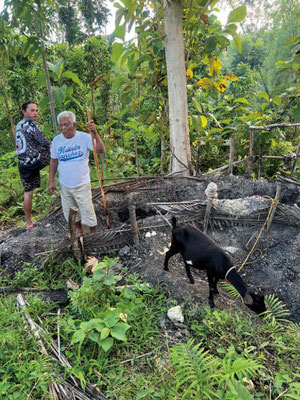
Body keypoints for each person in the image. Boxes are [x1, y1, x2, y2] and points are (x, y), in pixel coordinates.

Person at [48, 111, 105, 236]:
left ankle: (93, 234)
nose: (63, 128)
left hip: (81, 183)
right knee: (70, 209)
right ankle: (79, 230)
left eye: (66, 125)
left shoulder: (84, 137)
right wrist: (51, 181)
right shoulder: (57, 140)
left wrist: (95, 133)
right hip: (65, 184)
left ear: (74, 125)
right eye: (61, 125)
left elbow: (101, 150)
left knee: (87, 210)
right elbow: (53, 161)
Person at [16, 101, 50, 230]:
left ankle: (29, 222)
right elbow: (44, 142)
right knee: (55, 154)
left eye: (36, 110)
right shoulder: (31, 124)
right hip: (34, 161)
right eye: (32, 110)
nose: (35, 113)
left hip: (23, 164)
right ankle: (62, 180)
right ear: (24, 112)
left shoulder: (19, 124)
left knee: (28, 192)